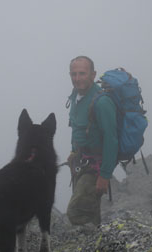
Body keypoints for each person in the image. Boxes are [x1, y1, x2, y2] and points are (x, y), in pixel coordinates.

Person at [66, 56, 118, 226]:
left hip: (95, 167)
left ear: (93, 74)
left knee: (77, 212)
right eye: (73, 74)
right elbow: (77, 128)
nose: (77, 78)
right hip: (80, 162)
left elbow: (111, 140)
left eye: (82, 73)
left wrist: (104, 175)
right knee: (89, 211)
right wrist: (74, 151)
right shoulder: (75, 97)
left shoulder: (102, 102)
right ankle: (95, 243)